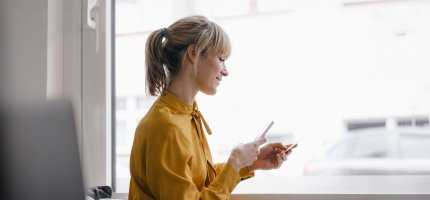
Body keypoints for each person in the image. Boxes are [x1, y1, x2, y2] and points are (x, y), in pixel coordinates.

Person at [129, 15, 295, 200]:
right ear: (194, 53)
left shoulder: (187, 114)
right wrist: (235, 163)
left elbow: (200, 182)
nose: (226, 71)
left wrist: (248, 163)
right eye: (222, 58)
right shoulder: (167, 126)